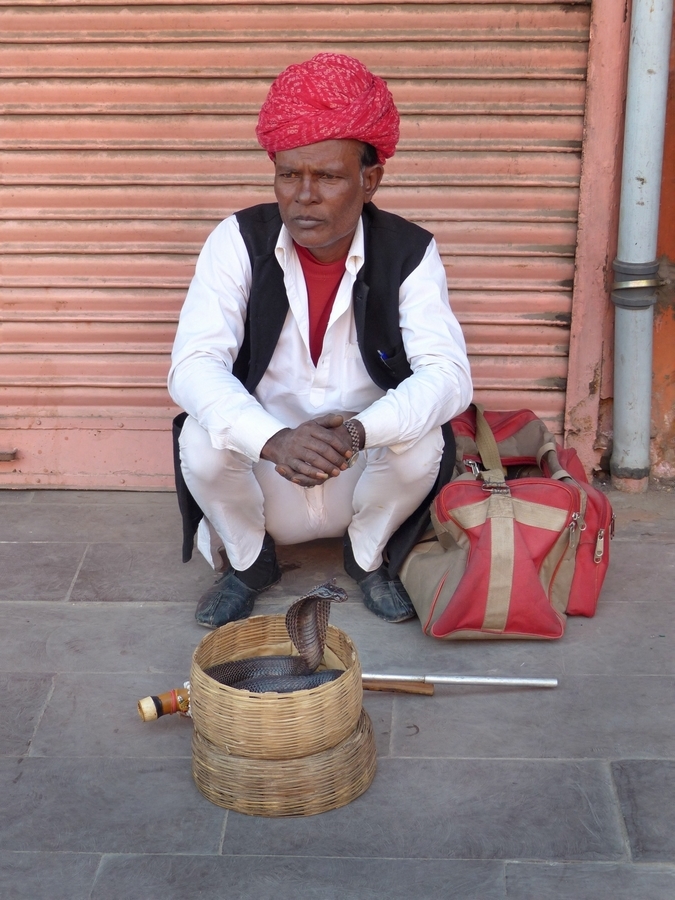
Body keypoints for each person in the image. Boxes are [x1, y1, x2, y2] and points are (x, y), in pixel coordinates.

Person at [169, 52, 472, 629]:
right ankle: (249, 564)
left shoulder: (409, 251)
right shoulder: (237, 240)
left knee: (425, 437)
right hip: (267, 471)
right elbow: (193, 364)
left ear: (369, 180)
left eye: (328, 177)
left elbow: (449, 376)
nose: (304, 195)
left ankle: (368, 556)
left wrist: (361, 431)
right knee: (201, 439)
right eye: (289, 175)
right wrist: (274, 439)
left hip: (361, 468)